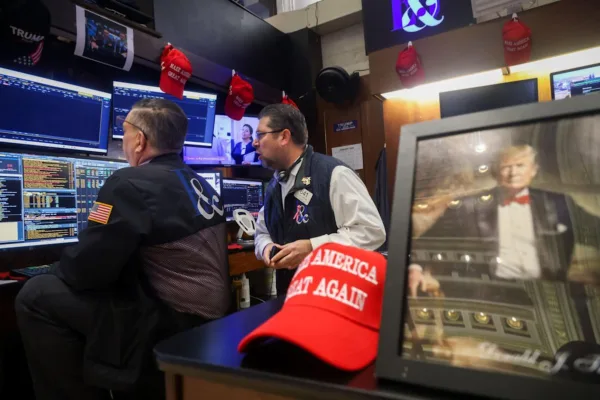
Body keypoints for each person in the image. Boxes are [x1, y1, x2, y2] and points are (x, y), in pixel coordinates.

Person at [15, 98, 229, 400]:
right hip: (205, 327)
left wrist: (49, 270)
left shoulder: (130, 182)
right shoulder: (200, 184)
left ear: (139, 140)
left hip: (164, 327)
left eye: (124, 133)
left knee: (35, 295)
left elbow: (87, 272)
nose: (123, 141)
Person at [410, 144, 600, 290]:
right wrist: (416, 268)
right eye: (506, 167)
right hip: (491, 287)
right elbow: (432, 235)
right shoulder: (469, 204)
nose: (513, 173)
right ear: (496, 172)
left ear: (533, 170)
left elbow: (592, 224)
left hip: (552, 287)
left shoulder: (556, 201)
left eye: (520, 165)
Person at [253, 104, 386, 295]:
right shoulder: (274, 184)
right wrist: (266, 247)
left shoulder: (334, 174)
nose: (255, 143)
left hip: (334, 296)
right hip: (292, 297)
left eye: (260, 135)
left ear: (284, 136)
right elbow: (262, 233)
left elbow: (371, 231)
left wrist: (313, 247)